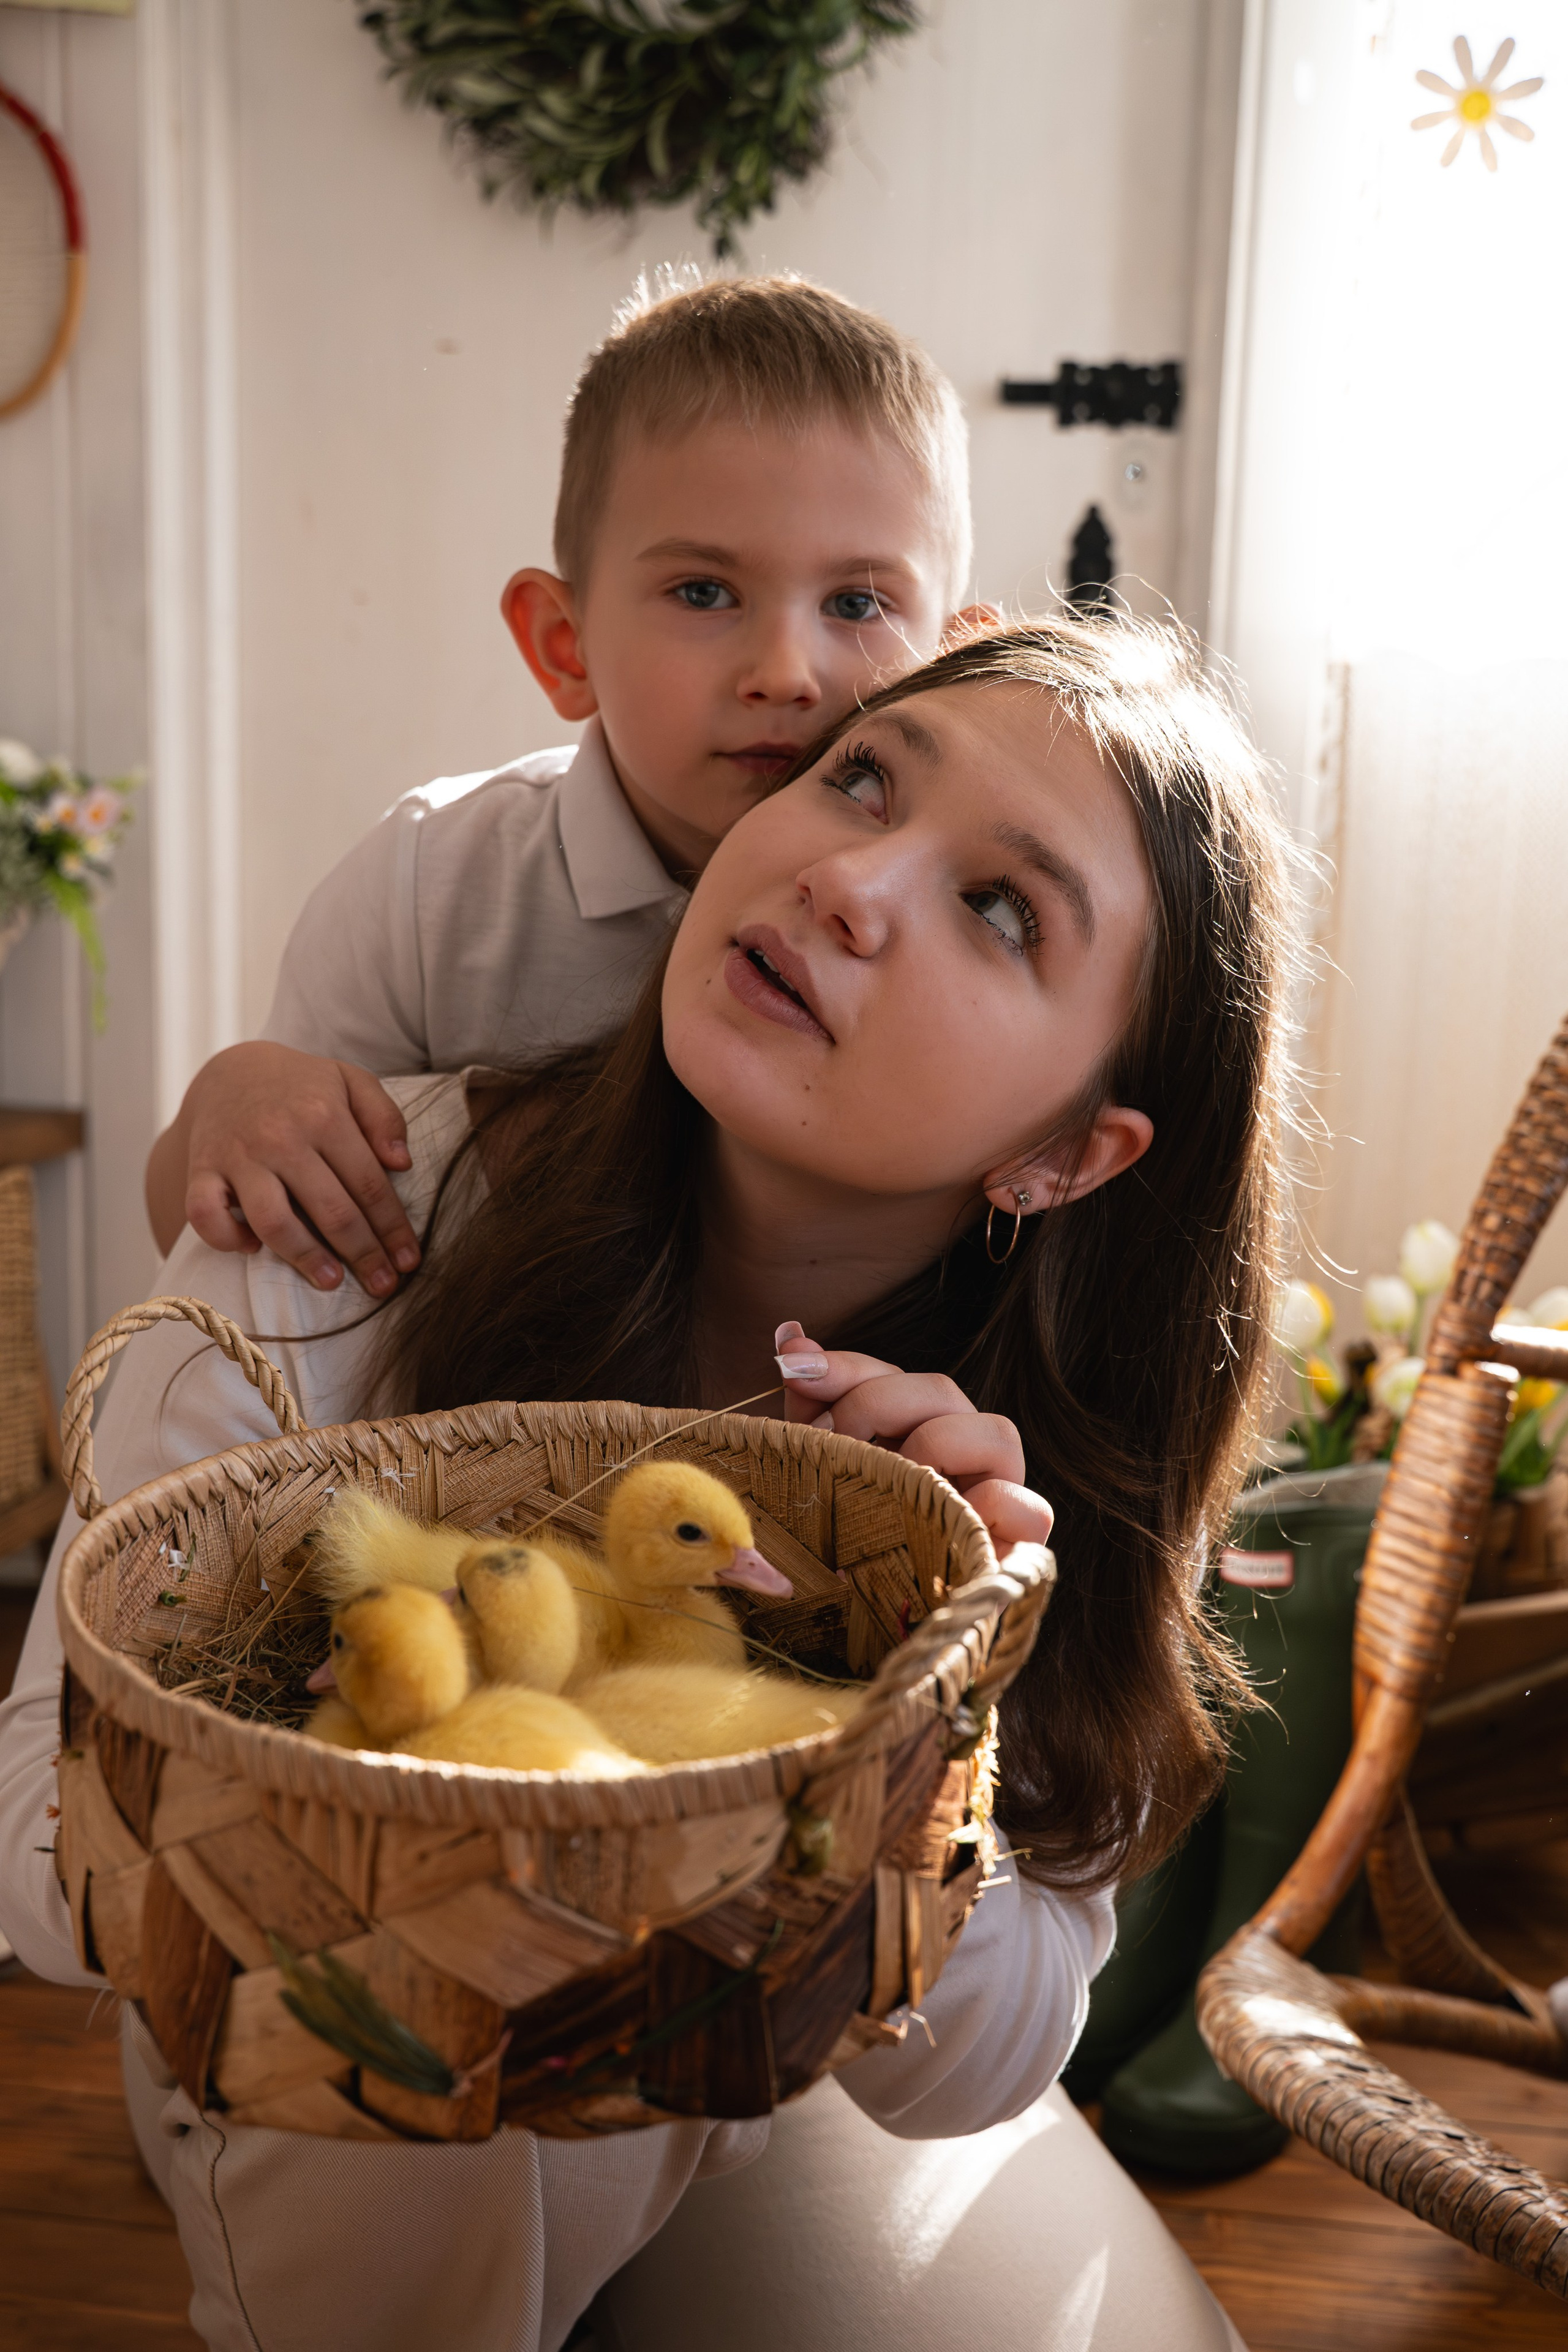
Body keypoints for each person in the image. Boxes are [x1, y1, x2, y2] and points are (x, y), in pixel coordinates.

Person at [0, 619, 1293, 2351]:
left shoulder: (1035, 1461)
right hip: (309, 2035)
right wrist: (392, 1845)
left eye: (999, 908)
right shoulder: (337, 1228)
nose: (849, 881)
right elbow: (35, 1849)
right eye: (860, 782)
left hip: (790, 2083)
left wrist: (923, 1726)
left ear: (1066, 1153)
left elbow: (974, 2070)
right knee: (460, 2046)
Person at [143, 270, 984, 1303]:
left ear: (952, 664)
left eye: (856, 603)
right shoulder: (426, 891)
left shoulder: (963, 943)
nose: (784, 671)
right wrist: (225, 1114)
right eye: (704, 592)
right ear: (564, 643)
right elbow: (219, 1246)